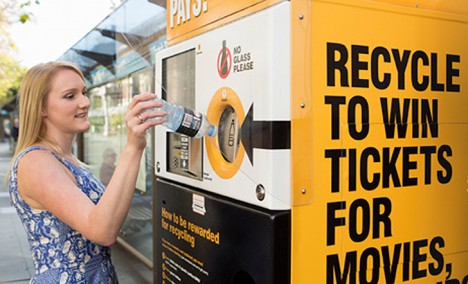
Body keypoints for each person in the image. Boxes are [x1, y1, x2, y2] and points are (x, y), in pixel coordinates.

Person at [7, 61, 166, 283]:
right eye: (70, 96)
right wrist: (132, 147)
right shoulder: (36, 161)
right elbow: (102, 231)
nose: (85, 102)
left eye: (83, 92)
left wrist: (137, 146)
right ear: (41, 107)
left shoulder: (66, 158)